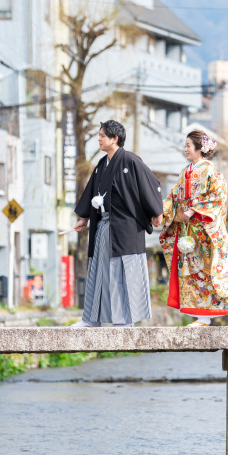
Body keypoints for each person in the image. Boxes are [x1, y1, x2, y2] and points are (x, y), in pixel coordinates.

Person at [72, 120, 164, 327]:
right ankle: (92, 319)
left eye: (102, 135)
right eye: (99, 135)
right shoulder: (101, 166)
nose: (99, 139)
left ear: (115, 139)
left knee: (124, 273)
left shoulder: (131, 160)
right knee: (99, 271)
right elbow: (91, 193)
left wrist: (156, 211)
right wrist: (84, 218)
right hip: (104, 226)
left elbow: (150, 185)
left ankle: (125, 320)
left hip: (127, 228)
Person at [159, 130, 228, 327]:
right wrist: (160, 212)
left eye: (188, 146)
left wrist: (193, 210)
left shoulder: (211, 171)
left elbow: (218, 197)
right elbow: (175, 197)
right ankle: (203, 317)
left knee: (218, 271)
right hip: (191, 234)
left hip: (208, 232)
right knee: (195, 274)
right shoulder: (185, 172)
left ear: (200, 149)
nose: (185, 150)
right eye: (185, 146)